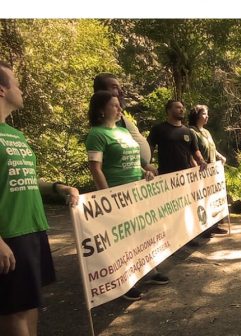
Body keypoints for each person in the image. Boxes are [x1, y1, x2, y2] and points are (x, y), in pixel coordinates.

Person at [0, 60, 79, 336]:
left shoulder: (16, 135)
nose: (22, 90)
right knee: (13, 313)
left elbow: (25, 178)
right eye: (17, 83)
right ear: (1, 90)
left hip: (33, 230)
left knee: (31, 306)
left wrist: (59, 189)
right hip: (8, 235)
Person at [85, 90, 168, 301]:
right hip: (117, 194)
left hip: (137, 192)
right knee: (123, 240)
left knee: (142, 231)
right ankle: (124, 282)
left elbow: (133, 162)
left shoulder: (122, 133)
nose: (120, 108)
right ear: (101, 110)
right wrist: (107, 197)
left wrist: (145, 173)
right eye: (114, 105)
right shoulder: (96, 134)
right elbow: (96, 168)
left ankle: (149, 270)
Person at [92, 73, 157, 175]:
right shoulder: (105, 124)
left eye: (120, 87)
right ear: (102, 92)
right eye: (114, 87)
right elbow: (121, 151)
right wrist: (145, 166)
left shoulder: (118, 118)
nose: (121, 91)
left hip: (137, 175)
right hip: (124, 179)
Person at [188, 104, 228, 236]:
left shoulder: (206, 132)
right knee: (201, 200)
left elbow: (212, 148)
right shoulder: (191, 131)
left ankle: (214, 225)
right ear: (197, 115)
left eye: (207, 114)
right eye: (204, 114)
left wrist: (220, 156)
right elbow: (191, 152)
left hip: (211, 172)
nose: (207, 116)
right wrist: (195, 167)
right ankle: (202, 228)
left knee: (212, 198)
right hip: (200, 172)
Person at [147, 100, 207, 175]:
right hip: (165, 176)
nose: (182, 110)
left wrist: (202, 161)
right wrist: (148, 167)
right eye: (178, 107)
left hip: (185, 176)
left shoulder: (189, 132)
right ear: (168, 111)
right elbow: (149, 149)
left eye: (182, 108)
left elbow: (195, 151)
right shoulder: (158, 129)